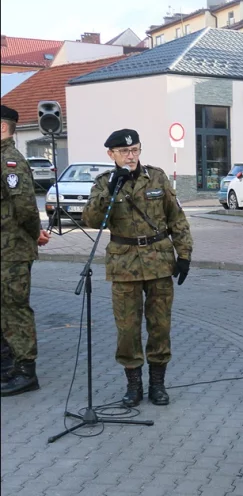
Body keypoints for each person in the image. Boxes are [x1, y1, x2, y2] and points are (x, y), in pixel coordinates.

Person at [82, 129, 193, 406]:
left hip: (158, 261)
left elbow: (176, 218)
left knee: (160, 327)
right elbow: (92, 220)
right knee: (128, 329)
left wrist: (185, 254)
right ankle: (134, 386)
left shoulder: (156, 177)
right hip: (124, 265)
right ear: (111, 155)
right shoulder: (103, 183)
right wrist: (110, 189)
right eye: (124, 152)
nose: (131, 156)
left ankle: (158, 384)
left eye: (135, 150)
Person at [0, 105, 49, 397]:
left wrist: (35, 235)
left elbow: (26, 208)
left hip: (13, 251)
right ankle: (10, 364)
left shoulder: (10, 162)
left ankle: (25, 371)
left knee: (15, 309)